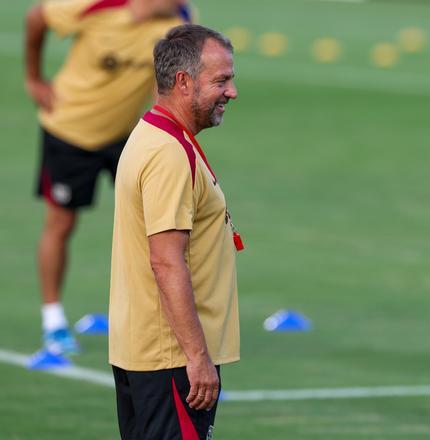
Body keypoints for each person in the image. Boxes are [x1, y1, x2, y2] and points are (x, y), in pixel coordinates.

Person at [24, 0, 190, 355]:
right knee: (61, 224)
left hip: (128, 138)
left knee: (158, 228)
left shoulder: (180, 20)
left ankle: (156, 322)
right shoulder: (93, 5)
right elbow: (36, 18)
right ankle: (53, 322)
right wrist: (34, 78)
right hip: (69, 132)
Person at [109, 24, 241, 439]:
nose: (232, 92)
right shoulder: (168, 153)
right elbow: (166, 260)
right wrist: (197, 357)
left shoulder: (153, 133)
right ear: (183, 82)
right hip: (171, 359)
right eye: (220, 80)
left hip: (151, 351)